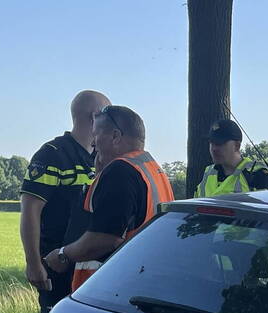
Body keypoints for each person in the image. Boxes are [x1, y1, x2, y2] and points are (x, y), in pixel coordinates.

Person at [43, 105, 173, 291]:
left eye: (96, 135)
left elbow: (105, 238)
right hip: (142, 279)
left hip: (110, 286)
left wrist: (63, 255)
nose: (93, 144)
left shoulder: (120, 172)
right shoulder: (152, 168)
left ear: (115, 136)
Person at [20, 90, 110, 313]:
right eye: (107, 115)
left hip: (90, 265)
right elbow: (30, 210)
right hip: (57, 263)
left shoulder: (100, 157)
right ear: (95, 116)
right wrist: (33, 263)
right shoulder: (53, 154)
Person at [194, 119, 268, 197]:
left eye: (220, 143)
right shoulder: (207, 173)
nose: (214, 149)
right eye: (212, 143)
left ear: (237, 146)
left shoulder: (258, 175)